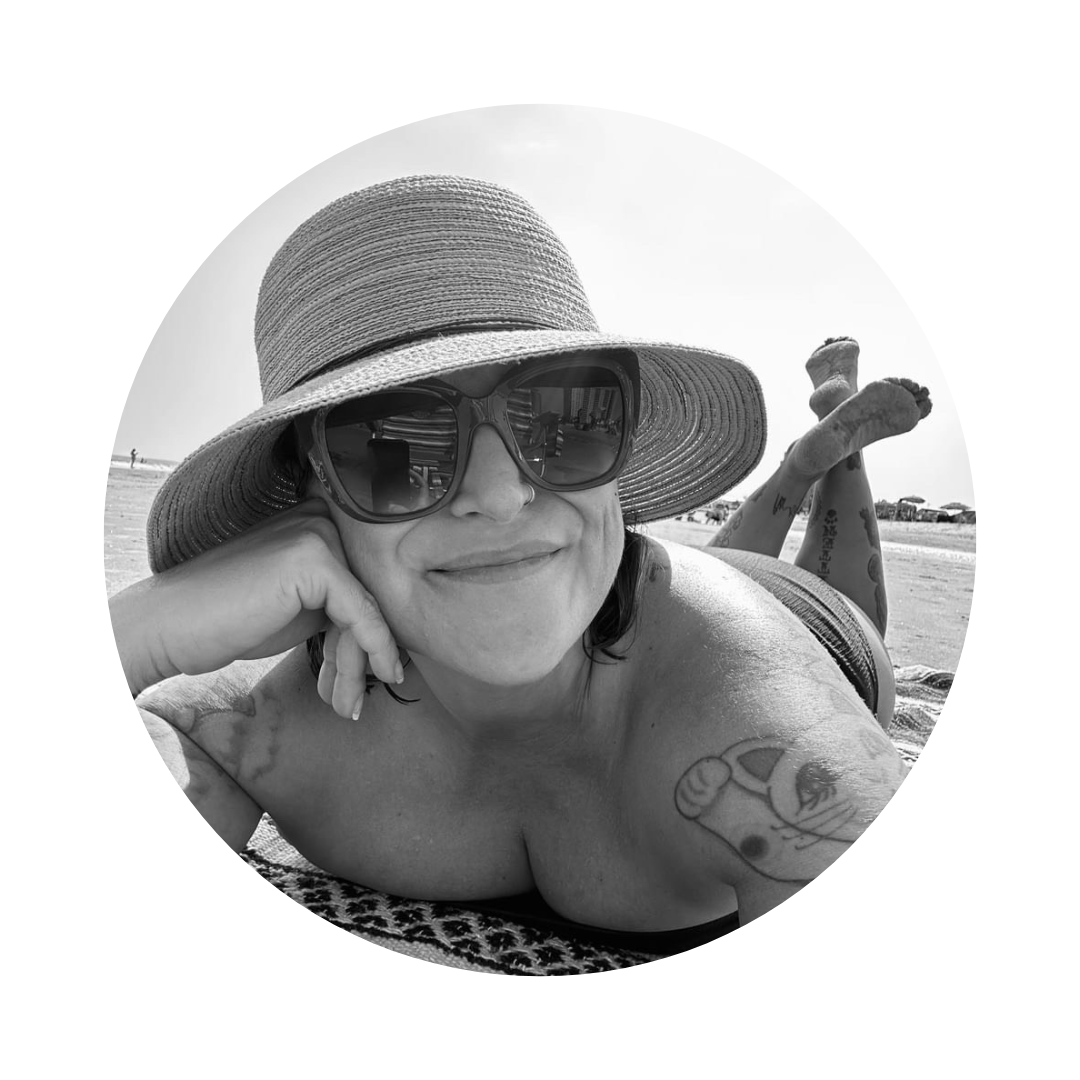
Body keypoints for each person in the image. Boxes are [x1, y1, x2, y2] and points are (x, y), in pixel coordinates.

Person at [110, 175, 930, 940]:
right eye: (394, 444)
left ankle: (828, 459)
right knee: (702, 568)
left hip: (792, 617)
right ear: (308, 496)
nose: (500, 495)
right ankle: (805, 459)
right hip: (610, 578)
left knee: (846, 599)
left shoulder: (756, 716)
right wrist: (136, 634)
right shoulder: (274, 727)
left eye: (566, 420)